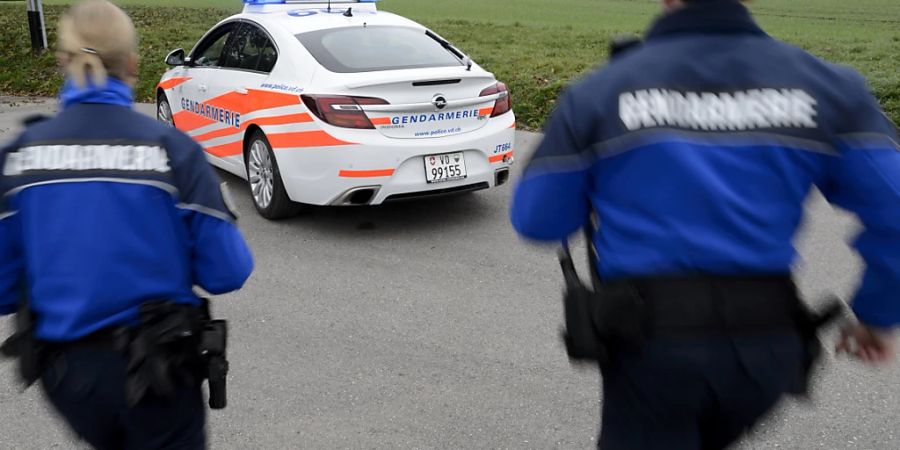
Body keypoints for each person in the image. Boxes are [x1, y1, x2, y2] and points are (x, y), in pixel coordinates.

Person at [510, 0, 900, 448]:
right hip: (766, 351)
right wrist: (878, 314)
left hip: (652, 353)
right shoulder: (827, 87)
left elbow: (537, 220)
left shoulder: (601, 92)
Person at [0, 1, 254, 449]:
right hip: (157, 373)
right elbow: (227, 271)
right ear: (133, 64)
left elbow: (3, 287)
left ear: (63, 63)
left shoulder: (20, 156)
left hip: (71, 379)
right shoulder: (173, 151)